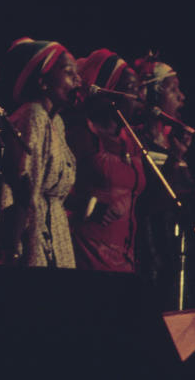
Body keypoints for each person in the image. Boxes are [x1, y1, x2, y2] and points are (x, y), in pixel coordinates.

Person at [131, 55, 195, 309]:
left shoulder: (172, 141)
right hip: (149, 249)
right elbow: (153, 198)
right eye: (174, 89)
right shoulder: (136, 139)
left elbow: (183, 193)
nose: (183, 97)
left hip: (178, 250)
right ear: (153, 96)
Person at [0, 37, 80, 268]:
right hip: (31, 231)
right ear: (43, 82)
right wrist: (15, 249)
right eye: (68, 72)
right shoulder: (32, 116)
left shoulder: (58, 123)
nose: (77, 80)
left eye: (77, 73)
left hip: (53, 227)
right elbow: (23, 188)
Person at [66, 49, 147, 272]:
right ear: (108, 93)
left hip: (125, 260)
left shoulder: (130, 140)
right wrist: (89, 206)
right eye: (130, 90)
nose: (138, 97)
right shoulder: (81, 134)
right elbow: (49, 190)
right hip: (87, 257)